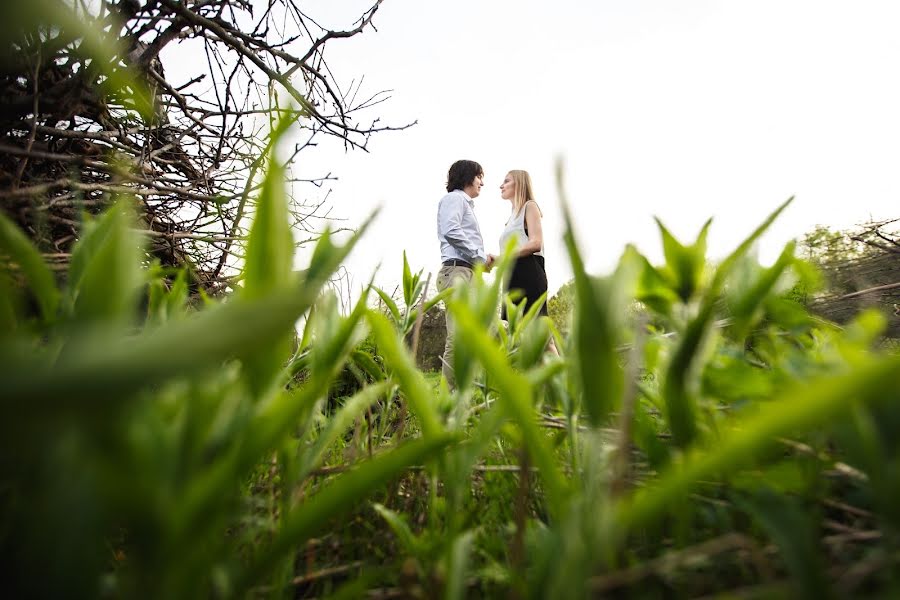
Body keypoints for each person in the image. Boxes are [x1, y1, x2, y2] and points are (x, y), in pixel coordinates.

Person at [490, 169, 559, 355]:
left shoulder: (530, 206)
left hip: (529, 274)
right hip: (512, 276)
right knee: (523, 335)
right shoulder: (511, 218)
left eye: (506, 181)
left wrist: (501, 258)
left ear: (519, 184)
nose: (501, 185)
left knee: (541, 335)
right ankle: (540, 381)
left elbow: (536, 243)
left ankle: (564, 381)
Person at [435, 159, 491, 387]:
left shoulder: (465, 204)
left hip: (469, 273)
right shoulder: (454, 198)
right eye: (480, 177)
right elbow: (451, 230)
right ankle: (448, 401)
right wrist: (479, 255)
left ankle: (467, 391)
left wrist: (482, 260)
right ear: (468, 176)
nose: (482, 183)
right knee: (456, 337)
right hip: (456, 272)